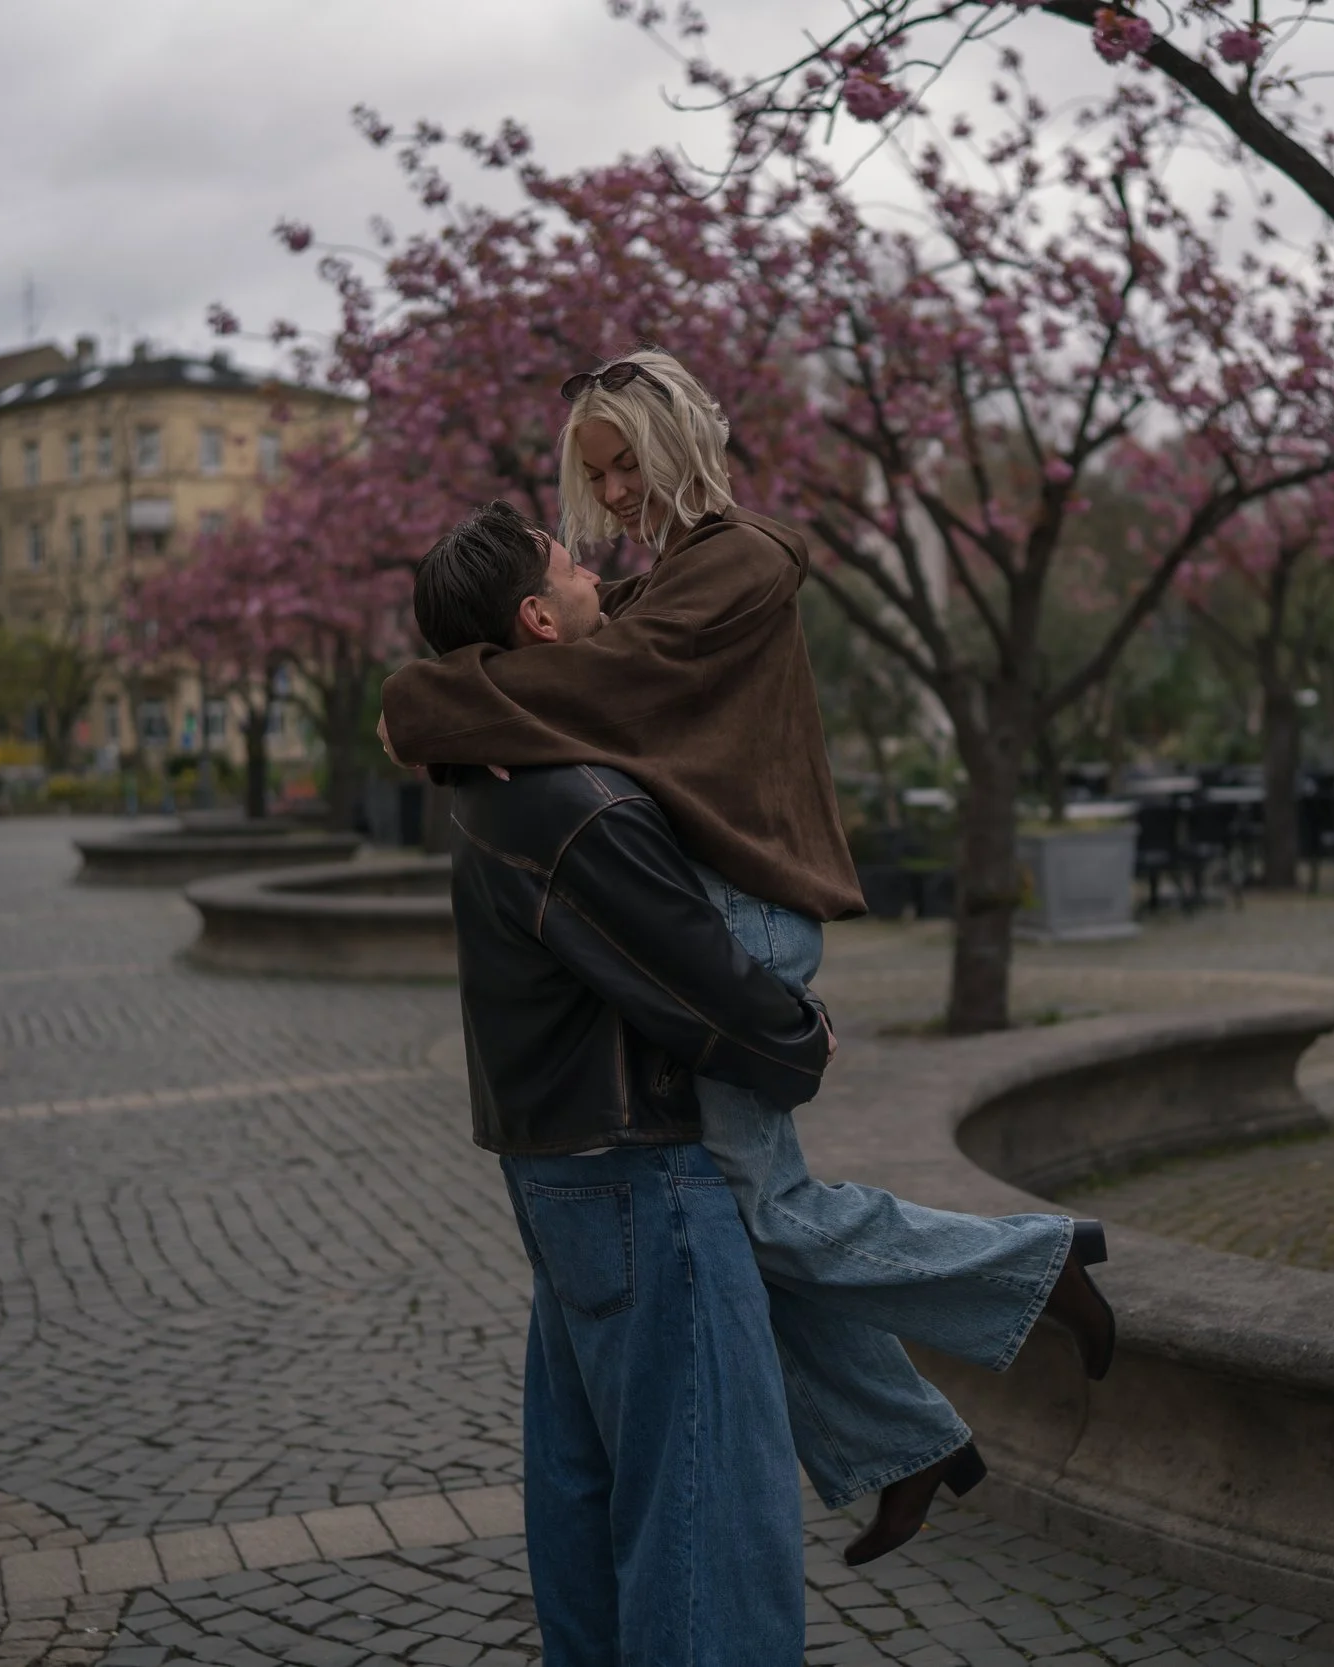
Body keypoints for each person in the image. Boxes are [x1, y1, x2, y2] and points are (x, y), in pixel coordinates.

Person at [390, 370, 1116, 1568]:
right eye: (597, 471)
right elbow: (569, 664)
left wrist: (426, 700)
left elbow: (599, 682)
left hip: (748, 912)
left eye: (629, 461)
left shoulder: (738, 560)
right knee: (740, 1219)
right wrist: (459, 699)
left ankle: (1036, 1270)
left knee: (763, 1213)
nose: (614, 490)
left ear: (680, 441)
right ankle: (906, 1441)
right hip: (721, 905)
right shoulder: (663, 579)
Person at [443, 694, 832, 1661]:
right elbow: (700, 979)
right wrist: (802, 1038)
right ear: (536, 623)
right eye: (587, 605)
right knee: (708, 1507)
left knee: (584, 1486)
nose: (609, 614)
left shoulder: (488, 771)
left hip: (560, 1165)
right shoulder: (583, 804)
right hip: (644, 1169)